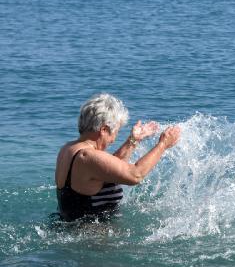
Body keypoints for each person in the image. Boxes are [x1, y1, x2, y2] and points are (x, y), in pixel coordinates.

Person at [55, 93, 180, 221]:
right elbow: (135, 175)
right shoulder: (86, 156)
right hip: (91, 238)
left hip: (71, 230)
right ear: (103, 129)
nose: (113, 139)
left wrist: (134, 140)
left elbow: (106, 167)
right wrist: (163, 144)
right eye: (116, 131)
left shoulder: (68, 149)